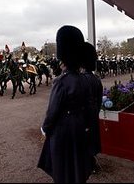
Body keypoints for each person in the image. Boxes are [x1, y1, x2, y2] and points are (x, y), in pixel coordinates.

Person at [37, 25, 93, 183]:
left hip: (63, 130)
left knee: (63, 168)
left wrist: (45, 128)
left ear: (64, 58)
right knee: (77, 166)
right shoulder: (85, 78)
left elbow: (53, 111)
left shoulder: (61, 81)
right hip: (80, 126)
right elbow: (90, 105)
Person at [81, 41, 103, 174]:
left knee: (85, 140)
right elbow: (99, 98)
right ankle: (91, 161)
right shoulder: (96, 78)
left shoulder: (82, 79)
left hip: (84, 115)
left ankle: (88, 163)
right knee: (92, 138)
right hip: (94, 112)